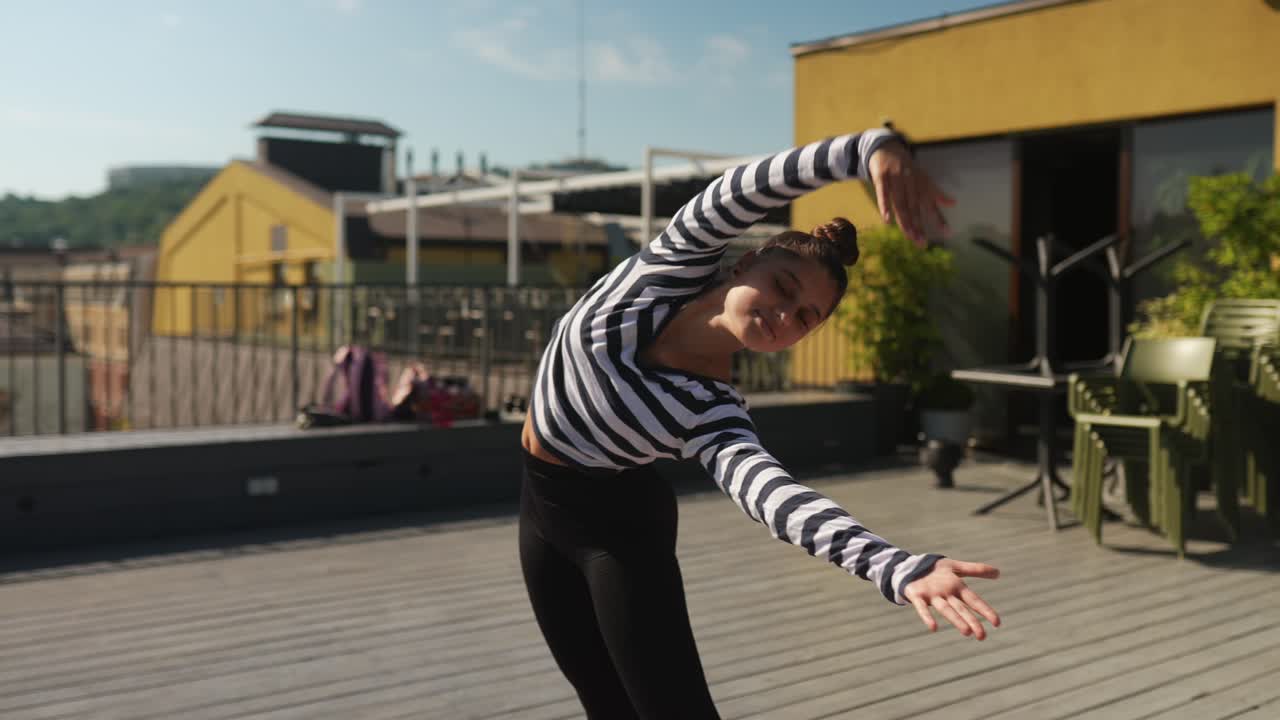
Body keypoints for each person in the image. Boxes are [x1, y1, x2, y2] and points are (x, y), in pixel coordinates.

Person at [518, 128, 1001, 719]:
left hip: (618, 534)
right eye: (781, 287)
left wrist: (895, 566)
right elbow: (740, 190)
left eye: (804, 317)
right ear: (746, 261)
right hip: (540, 512)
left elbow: (774, 497)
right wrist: (868, 149)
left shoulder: (712, 408)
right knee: (602, 703)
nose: (782, 315)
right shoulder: (669, 268)